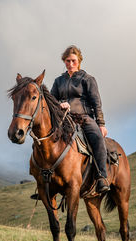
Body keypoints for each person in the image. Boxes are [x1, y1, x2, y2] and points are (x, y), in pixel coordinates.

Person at [51, 45, 109, 193]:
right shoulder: (58, 81)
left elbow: (97, 103)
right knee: (44, 137)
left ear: (79, 61)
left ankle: (102, 177)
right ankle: (44, 180)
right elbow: (50, 101)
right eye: (67, 61)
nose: (70, 64)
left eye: (73, 61)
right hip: (63, 119)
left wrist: (101, 124)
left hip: (84, 118)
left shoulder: (87, 79)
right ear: (64, 61)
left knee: (97, 138)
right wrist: (59, 104)